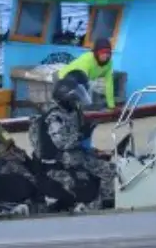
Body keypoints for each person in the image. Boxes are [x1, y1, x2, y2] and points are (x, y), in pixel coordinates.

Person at [0, 86, 71, 211]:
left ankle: (49, 201)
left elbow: (5, 144)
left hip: (8, 159)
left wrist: (23, 157)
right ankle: (40, 207)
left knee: (40, 171)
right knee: (35, 181)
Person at [29, 75, 111, 209]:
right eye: (74, 99)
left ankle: (108, 201)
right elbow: (61, 143)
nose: (77, 103)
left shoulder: (70, 112)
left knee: (111, 168)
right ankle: (101, 207)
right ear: (66, 98)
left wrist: (92, 149)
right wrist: (82, 134)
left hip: (75, 158)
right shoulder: (54, 117)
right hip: (59, 164)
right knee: (106, 172)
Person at [57, 38, 116, 109]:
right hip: (64, 77)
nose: (105, 55)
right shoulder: (87, 59)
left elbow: (109, 84)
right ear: (96, 52)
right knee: (70, 106)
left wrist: (111, 105)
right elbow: (82, 80)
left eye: (107, 52)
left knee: (86, 104)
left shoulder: (109, 63)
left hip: (79, 81)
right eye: (102, 52)